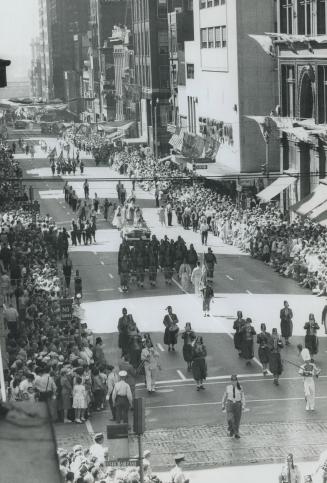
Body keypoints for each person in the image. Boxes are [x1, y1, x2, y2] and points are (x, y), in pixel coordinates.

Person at [221, 374, 246, 439]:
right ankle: (231, 429)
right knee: (230, 419)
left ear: (236, 381)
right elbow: (225, 396)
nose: (233, 382)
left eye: (235, 380)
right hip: (230, 404)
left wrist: (243, 405)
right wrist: (223, 404)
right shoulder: (228, 387)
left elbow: (242, 396)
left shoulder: (240, 387)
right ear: (231, 381)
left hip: (238, 404)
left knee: (237, 420)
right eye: (232, 380)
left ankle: (236, 433)